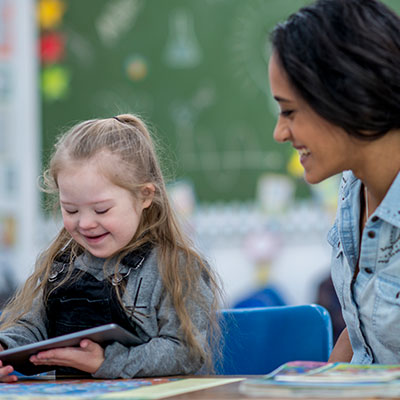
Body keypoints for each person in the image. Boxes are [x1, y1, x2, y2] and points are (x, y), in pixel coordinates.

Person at [0, 114, 222, 382]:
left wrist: (108, 362)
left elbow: (185, 351)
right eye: (70, 209)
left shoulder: (176, 267)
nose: (85, 223)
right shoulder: (61, 264)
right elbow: (33, 328)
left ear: (145, 196)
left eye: (101, 209)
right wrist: (6, 348)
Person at [269, 0, 400, 364]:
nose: (280, 132)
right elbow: (366, 338)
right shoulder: (352, 188)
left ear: (347, 95)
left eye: (289, 111)